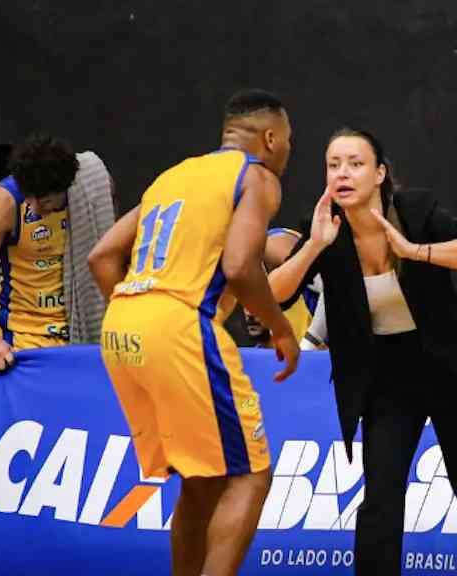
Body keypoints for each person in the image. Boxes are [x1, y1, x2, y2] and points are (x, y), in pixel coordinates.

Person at [269, 127, 457, 575]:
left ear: (380, 173)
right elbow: (271, 298)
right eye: (334, 165)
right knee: (381, 499)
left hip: (449, 370)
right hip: (386, 377)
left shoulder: (414, 210)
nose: (343, 173)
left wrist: (415, 251)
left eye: (355, 163)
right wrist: (314, 246)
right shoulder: (325, 229)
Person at [87, 89, 299, 576]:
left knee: (202, 480)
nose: (288, 150)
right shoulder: (258, 177)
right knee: (251, 475)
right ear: (270, 138)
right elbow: (242, 265)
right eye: (288, 140)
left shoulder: (174, 176)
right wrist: (281, 327)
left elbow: (101, 257)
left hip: (123, 323)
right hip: (178, 322)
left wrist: (138, 313)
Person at [0, 133, 114, 372]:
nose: (34, 208)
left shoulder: (92, 191)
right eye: (28, 197)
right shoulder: (4, 202)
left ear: (67, 189)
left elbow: (113, 253)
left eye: (45, 201)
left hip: (80, 337)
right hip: (22, 342)